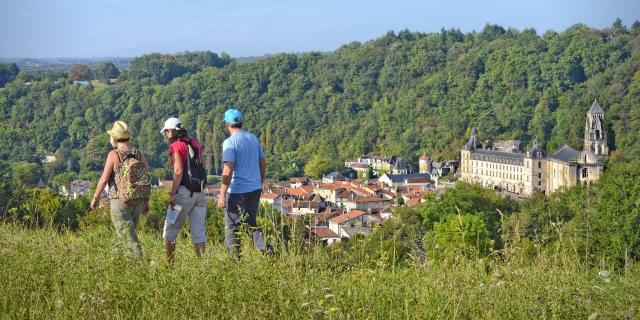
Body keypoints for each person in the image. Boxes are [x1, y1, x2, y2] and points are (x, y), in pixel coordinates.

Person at [91, 120, 150, 260]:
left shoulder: (114, 154)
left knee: (128, 238)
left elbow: (104, 179)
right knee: (126, 235)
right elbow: (146, 177)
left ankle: (140, 265)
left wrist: (95, 197)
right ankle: (118, 263)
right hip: (137, 201)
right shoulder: (138, 154)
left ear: (114, 138)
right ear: (128, 137)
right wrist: (146, 201)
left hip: (119, 201)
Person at [217, 108, 267, 256]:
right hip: (255, 189)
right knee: (251, 224)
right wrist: (260, 182)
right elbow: (263, 163)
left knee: (232, 227)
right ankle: (264, 251)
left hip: (237, 191)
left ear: (227, 123)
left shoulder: (229, 142)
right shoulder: (253, 139)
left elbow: (228, 169)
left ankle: (234, 262)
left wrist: (222, 194)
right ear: (241, 122)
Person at [160, 117, 208, 263]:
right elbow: (204, 166)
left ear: (172, 131)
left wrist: (173, 193)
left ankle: (169, 265)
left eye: (166, 132)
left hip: (183, 193)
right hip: (199, 194)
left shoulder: (176, 145)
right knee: (199, 234)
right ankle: (202, 266)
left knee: (169, 232)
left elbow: (179, 171)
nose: (166, 135)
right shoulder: (194, 143)